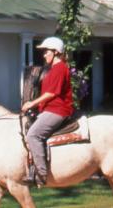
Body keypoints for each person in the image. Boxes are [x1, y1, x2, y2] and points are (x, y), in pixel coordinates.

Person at [21, 37, 75, 187]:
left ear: (56, 52)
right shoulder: (52, 69)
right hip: (48, 109)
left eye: (47, 51)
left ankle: (41, 173)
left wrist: (31, 103)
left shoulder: (60, 68)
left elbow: (51, 93)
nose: (44, 55)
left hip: (58, 110)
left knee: (33, 134)